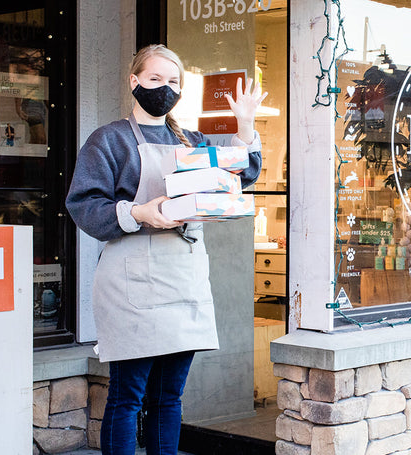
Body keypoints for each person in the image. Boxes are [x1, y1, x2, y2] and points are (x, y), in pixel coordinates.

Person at [64, 44, 266, 455]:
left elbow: (238, 175)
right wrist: (139, 211)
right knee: (127, 398)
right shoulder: (109, 140)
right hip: (131, 281)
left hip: (183, 278)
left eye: (172, 81)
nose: (164, 88)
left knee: (169, 398)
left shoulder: (191, 140)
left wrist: (245, 126)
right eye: (155, 79)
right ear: (134, 81)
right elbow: (84, 206)